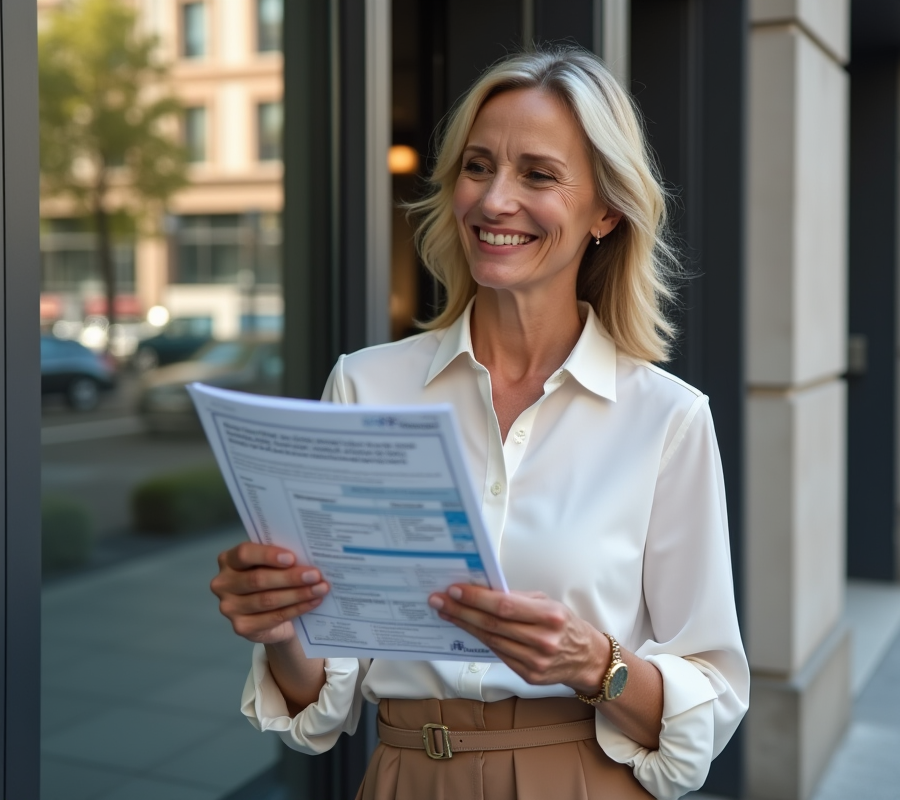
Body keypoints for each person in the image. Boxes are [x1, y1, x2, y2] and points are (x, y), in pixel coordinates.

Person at [209, 46, 748, 800]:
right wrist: (278, 629)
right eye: (476, 166)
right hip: (401, 776)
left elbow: (713, 695)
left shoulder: (668, 419)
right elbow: (322, 689)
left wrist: (596, 663)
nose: (494, 201)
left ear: (605, 211)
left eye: (537, 174)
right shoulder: (367, 384)